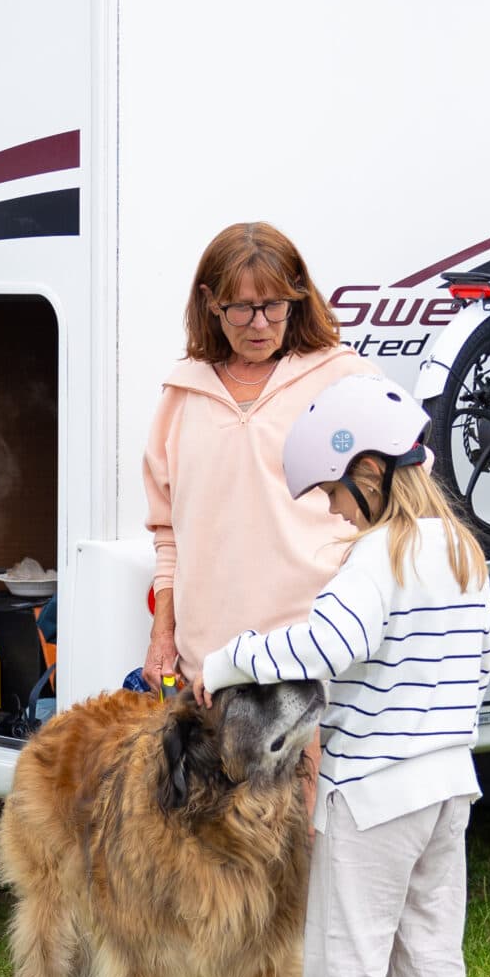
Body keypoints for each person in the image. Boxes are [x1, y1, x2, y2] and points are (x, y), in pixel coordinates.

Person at [197, 376, 489, 977]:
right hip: (447, 785)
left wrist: (231, 659)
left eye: (332, 490)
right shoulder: (460, 549)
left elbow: (326, 650)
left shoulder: (378, 555)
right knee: (430, 956)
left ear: (368, 469)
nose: (331, 509)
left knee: (346, 965)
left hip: (376, 792)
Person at [141, 223, 368, 690]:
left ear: (298, 298)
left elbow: (401, 505)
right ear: (210, 302)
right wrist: (163, 635)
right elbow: (168, 536)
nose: (260, 324)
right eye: (241, 308)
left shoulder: (344, 380)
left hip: (317, 663)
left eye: (273, 306)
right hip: (211, 672)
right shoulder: (182, 394)